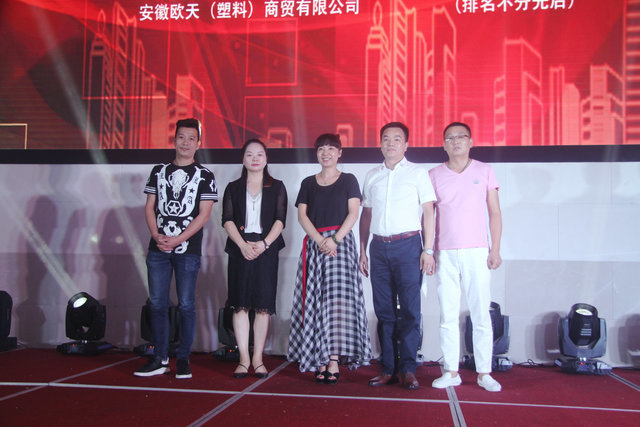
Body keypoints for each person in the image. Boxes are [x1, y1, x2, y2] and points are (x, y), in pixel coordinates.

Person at [135, 118, 217, 379]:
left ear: (198, 144)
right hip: (158, 247)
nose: (186, 142)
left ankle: (183, 359)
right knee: (157, 303)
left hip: (188, 249)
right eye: (181, 137)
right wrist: (156, 235)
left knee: (186, 304)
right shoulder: (159, 171)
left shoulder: (205, 175)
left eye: (191, 138)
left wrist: (179, 239)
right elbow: (150, 206)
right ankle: (160, 358)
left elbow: (204, 215)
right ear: (174, 140)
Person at [288, 133, 372, 384]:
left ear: (339, 152)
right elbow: (302, 216)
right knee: (315, 301)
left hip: (341, 245)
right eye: (321, 149)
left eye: (331, 149)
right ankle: (319, 357)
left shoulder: (349, 180)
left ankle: (333, 358)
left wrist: (334, 240)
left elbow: (353, 213)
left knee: (337, 303)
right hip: (315, 245)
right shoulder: (308, 183)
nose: (326, 153)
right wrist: (319, 240)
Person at [359, 122, 436, 390]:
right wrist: (362, 250)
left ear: (406, 145)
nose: (390, 143)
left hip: (409, 246)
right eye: (386, 139)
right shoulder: (372, 175)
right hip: (379, 248)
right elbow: (366, 215)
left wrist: (428, 250)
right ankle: (388, 368)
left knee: (411, 311)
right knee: (384, 311)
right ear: (380, 144)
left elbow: (428, 212)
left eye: (396, 139)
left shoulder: (418, 174)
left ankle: (408, 369)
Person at [429, 122, 503, 392]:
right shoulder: (433, 175)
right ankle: (451, 370)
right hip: (445, 252)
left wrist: (495, 249)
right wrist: (428, 251)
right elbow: (428, 217)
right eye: (450, 138)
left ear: (471, 142)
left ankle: (484, 373)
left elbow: (494, 212)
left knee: (480, 313)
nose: (456, 141)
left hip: (477, 251)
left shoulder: (484, 171)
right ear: (443, 144)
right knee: (447, 314)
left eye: (461, 137)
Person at [222, 139, 287, 379]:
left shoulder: (277, 187)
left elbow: (280, 220)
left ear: (266, 158)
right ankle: (243, 359)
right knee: (239, 305)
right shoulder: (233, 187)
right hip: (240, 248)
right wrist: (242, 244)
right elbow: (227, 219)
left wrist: (264, 244)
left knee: (262, 306)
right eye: (249, 154)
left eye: (259, 154)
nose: (255, 158)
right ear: (243, 159)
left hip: (266, 248)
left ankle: (258, 359)